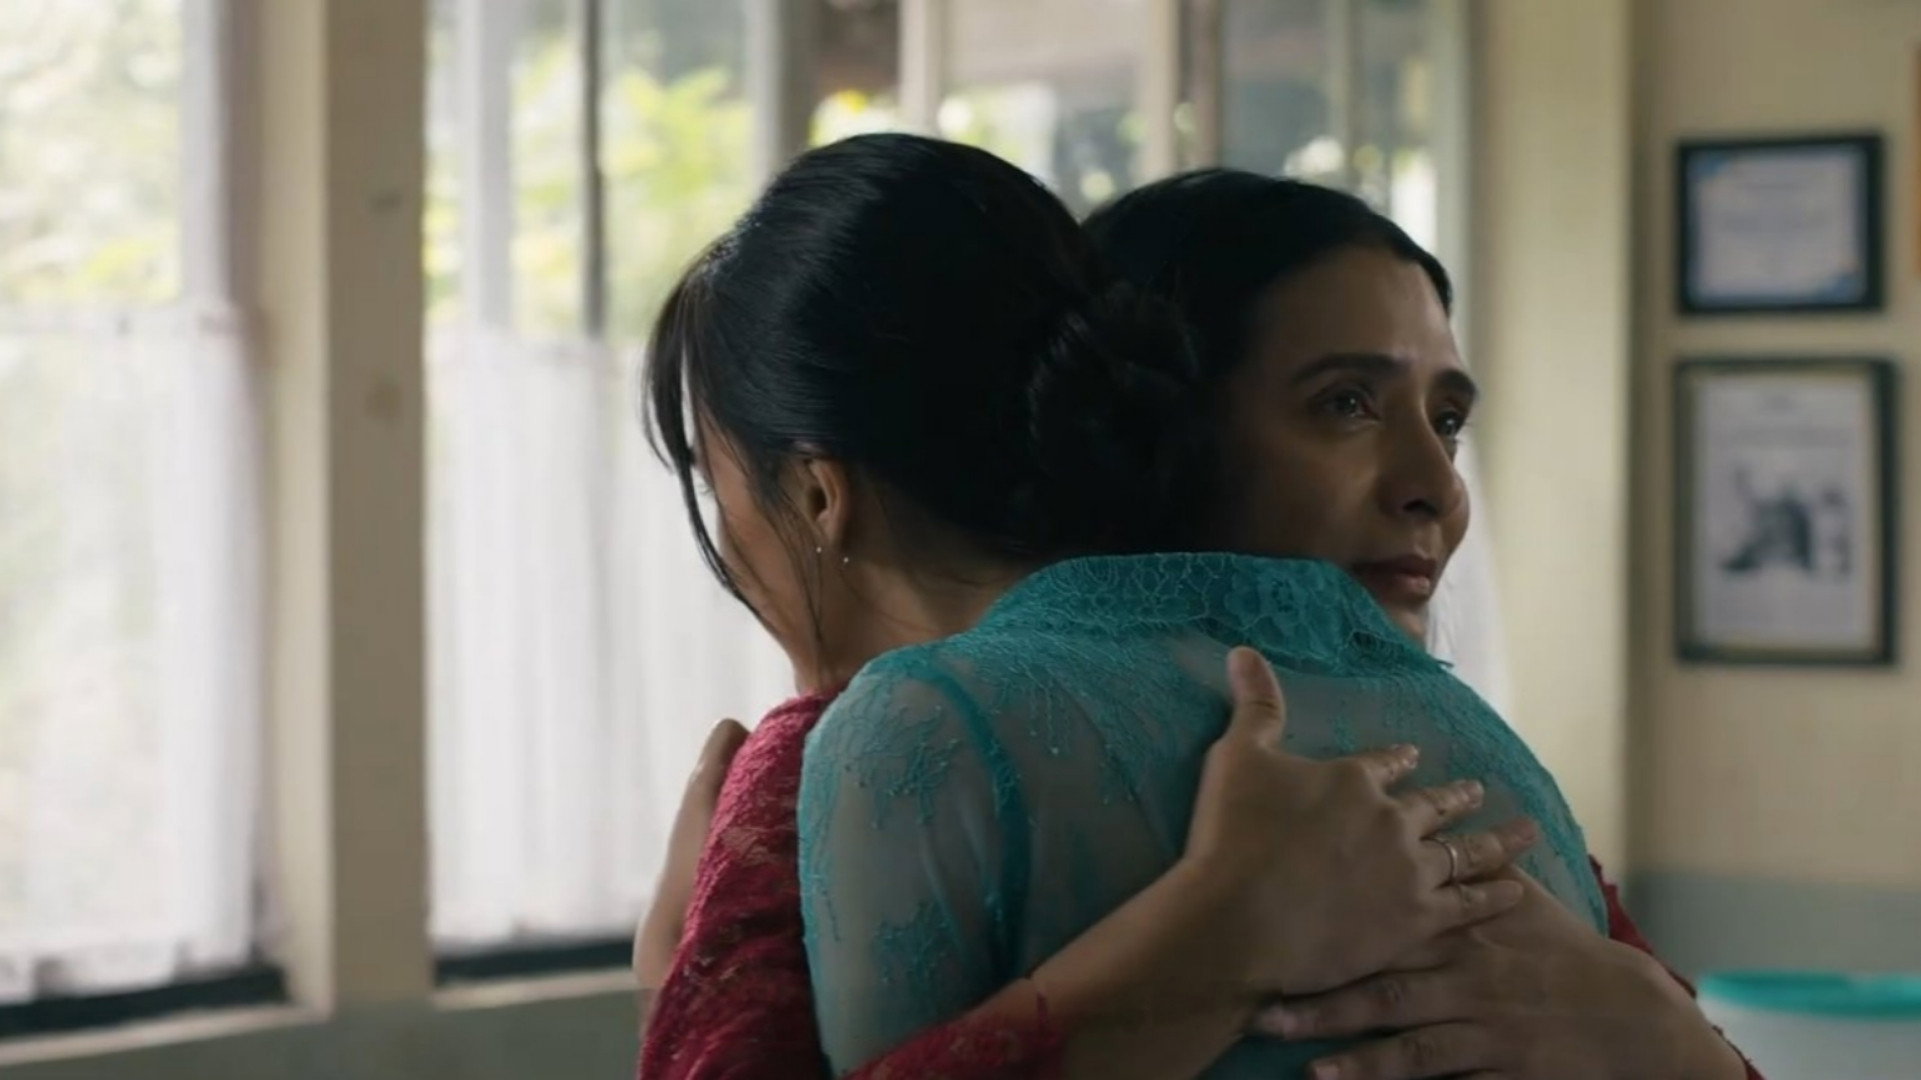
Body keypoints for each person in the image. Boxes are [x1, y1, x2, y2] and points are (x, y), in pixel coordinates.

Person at [637, 142, 1756, 1079]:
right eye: (1344, 403)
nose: (1437, 487)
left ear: (818, 494)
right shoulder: (1439, 752)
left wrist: (1664, 1041)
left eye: (1448, 419)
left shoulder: (1424, 743)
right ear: (1168, 430)